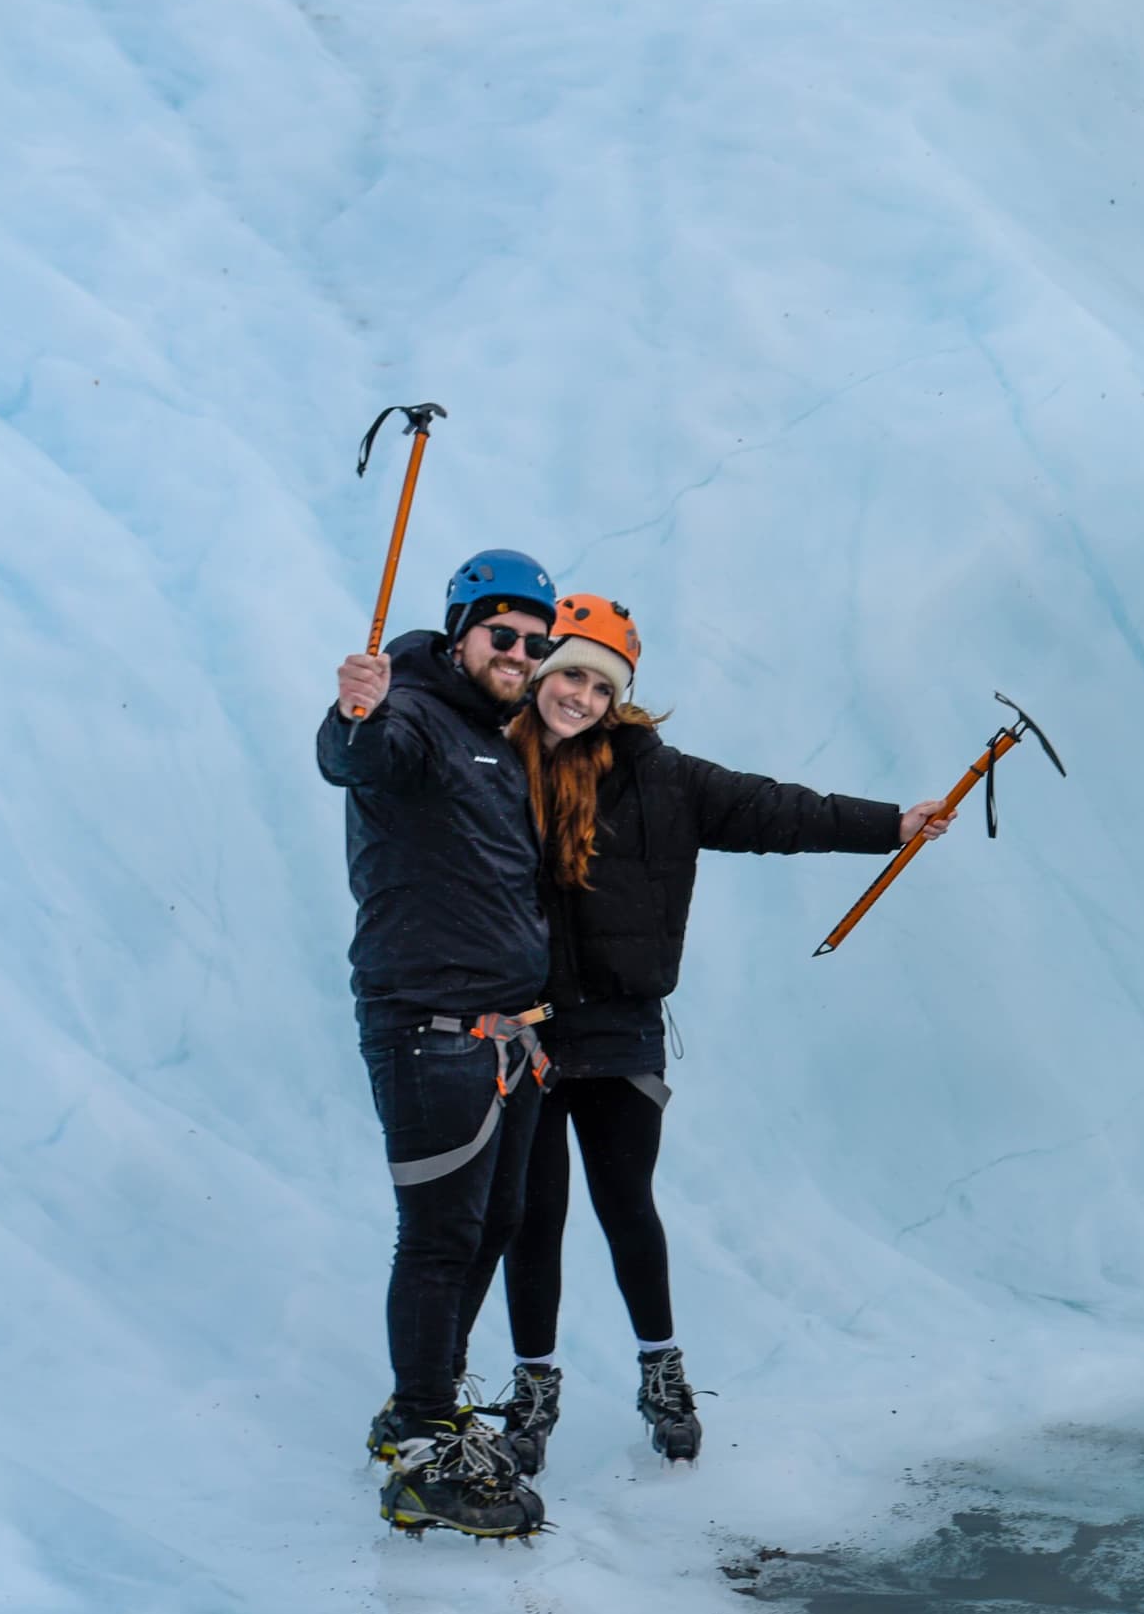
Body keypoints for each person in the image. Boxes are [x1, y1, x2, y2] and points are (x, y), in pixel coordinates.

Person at [489, 594, 948, 1469]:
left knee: (627, 1206)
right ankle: (533, 1388)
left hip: (622, 1029)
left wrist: (891, 824)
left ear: (617, 695)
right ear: (540, 673)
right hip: (524, 1029)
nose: (578, 695)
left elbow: (779, 810)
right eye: (567, 675)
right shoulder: (494, 767)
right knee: (530, 1215)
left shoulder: (665, 777)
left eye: (598, 683)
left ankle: (661, 1372)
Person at [320, 551, 565, 1539]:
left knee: (494, 1220)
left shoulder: (492, 740)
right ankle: (422, 1446)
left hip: (504, 1036)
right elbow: (358, 757)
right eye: (502, 634)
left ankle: (425, 1404)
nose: (518, 653)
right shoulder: (413, 714)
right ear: (460, 629)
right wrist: (355, 710)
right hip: (429, 1027)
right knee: (437, 1234)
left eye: (535, 644)